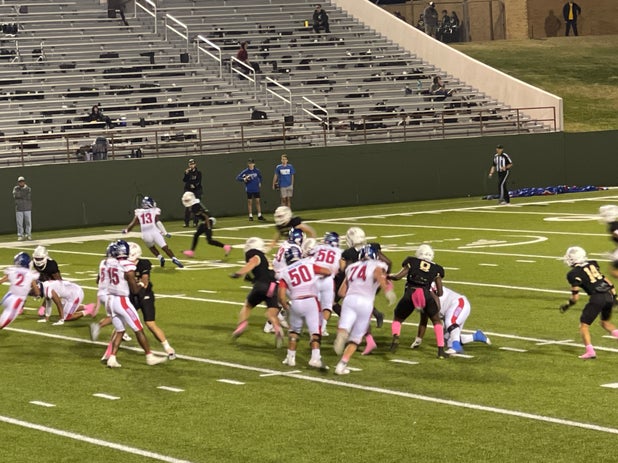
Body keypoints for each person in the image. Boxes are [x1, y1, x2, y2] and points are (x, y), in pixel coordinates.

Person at [101, 239, 167, 368]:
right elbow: (135, 290)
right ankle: (149, 356)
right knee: (138, 329)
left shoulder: (106, 263)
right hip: (122, 301)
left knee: (120, 330)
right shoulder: (127, 265)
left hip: (110, 300)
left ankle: (112, 357)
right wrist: (141, 284)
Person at [333, 244, 396, 375]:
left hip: (349, 300)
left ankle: (342, 332)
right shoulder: (377, 265)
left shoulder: (351, 268)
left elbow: (341, 292)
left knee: (344, 327)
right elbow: (378, 273)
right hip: (365, 302)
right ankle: (341, 364)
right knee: (356, 339)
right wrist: (387, 290)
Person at [388, 244, 448, 358]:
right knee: (436, 321)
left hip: (410, 293)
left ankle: (395, 338)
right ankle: (441, 350)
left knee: (398, 318)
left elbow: (398, 277)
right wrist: (433, 294)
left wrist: (388, 276)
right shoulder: (437, 269)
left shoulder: (412, 261)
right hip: (425, 294)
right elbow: (440, 292)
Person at [560, 246, 618, 359]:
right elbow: (606, 280)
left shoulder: (573, 274)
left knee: (584, 325)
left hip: (597, 298)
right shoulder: (592, 263)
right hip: (608, 296)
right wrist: (615, 296)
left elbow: (575, 298)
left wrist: (567, 305)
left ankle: (590, 351)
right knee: (605, 322)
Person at [278, 246, 331, 369]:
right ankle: (315, 358)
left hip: (296, 302)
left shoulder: (285, 272)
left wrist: (286, 307)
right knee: (315, 332)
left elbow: (281, 296)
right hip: (311, 301)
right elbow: (327, 271)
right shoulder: (308, 264)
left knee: (294, 331)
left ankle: (290, 358)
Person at [229, 237, 284, 348]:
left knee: (247, 306)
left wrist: (239, 273)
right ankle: (277, 328)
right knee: (271, 313)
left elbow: (253, 262)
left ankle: (241, 325)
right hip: (273, 285)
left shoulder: (253, 253)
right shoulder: (264, 256)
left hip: (262, 285)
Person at [128, 242, 176, 359]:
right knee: (120, 322)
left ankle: (168, 347)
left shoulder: (144, 263)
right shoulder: (123, 265)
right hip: (131, 296)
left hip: (145, 295)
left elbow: (145, 280)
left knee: (150, 323)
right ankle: (111, 353)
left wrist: (140, 284)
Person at [410, 285, 491, 354]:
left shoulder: (429, 291)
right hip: (449, 312)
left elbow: (437, 304)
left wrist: (432, 312)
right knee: (447, 341)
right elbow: (423, 321)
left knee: (450, 322)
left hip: (459, 303)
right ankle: (476, 336)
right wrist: (418, 340)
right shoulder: (422, 296)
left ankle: (456, 347)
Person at [122, 196, 184, 268]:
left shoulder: (139, 212)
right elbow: (158, 222)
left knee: (151, 247)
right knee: (165, 247)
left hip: (145, 234)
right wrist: (165, 232)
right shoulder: (154, 210)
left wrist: (126, 230)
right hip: (155, 232)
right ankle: (174, 258)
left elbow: (133, 224)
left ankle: (160, 257)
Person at [310, 231, 343, 336]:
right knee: (327, 306)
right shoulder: (340, 252)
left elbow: (308, 258)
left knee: (312, 304)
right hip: (328, 280)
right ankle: (322, 328)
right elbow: (341, 268)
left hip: (314, 278)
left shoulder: (318, 248)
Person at [181, 191, 232, 258]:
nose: (186, 201)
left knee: (209, 240)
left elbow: (206, 216)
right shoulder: (194, 205)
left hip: (208, 220)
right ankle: (191, 252)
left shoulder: (195, 207)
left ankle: (226, 247)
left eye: (187, 200)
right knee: (196, 235)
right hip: (205, 221)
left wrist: (208, 227)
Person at [1, 253, 41, 330]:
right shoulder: (31, 274)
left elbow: (2, 280)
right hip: (17, 301)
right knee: (3, 323)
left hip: (8, 297)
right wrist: (37, 293)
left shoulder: (12, 270)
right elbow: (37, 291)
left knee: (3, 316)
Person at [32, 245, 62, 321]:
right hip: (43, 277)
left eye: (40, 258)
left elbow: (58, 280)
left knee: (51, 294)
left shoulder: (51, 265)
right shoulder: (34, 263)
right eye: (37, 258)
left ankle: (87, 308)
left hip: (53, 280)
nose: (38, 260)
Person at [183, 158, 203, 227]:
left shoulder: (198, 172)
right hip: (189, 191)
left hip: (196, 191)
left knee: (196, 206)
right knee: (188, 207)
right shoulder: (187, 172)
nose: (191, 165)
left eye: (192, 164)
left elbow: (199, 182)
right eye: (190, 164)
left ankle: (195, 222)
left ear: (195, 164)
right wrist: (186, 174)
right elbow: (184, 180)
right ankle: (186, 223)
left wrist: (194, 185)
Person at [13, 176, 32, 241]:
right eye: (20, 181)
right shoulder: (16, 188)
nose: (21, 182)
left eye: (22, 181)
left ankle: (28, 235)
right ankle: (20, 235)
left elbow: (27, 196)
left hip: (27, 208)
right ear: (18, 182)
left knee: (28, 223)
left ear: (24, 182)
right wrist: (22, 194)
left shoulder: (28, 188)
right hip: (19, 209)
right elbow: (16, 195)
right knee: (19, 223)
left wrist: (20, 194)